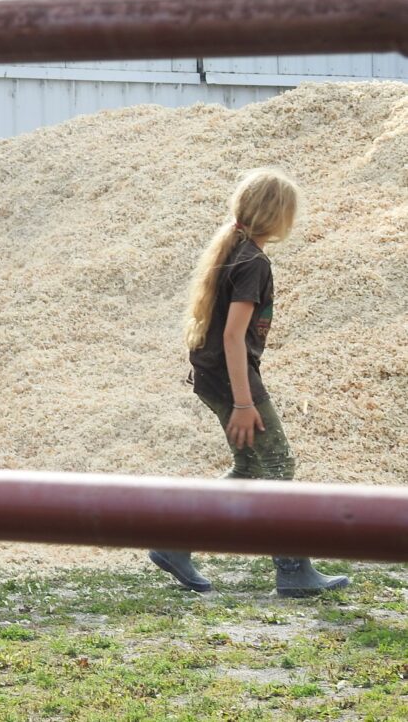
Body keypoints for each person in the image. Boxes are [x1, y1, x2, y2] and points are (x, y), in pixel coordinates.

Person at [149, 168, 349, 598]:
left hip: (216, 376)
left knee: (250, 468)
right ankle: (294, 571)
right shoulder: (252, 262)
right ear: (278, 216)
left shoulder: (237, 250)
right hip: (231, 381)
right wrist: (243, 403)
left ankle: (174, 543)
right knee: (278, 466)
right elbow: (233, 337)